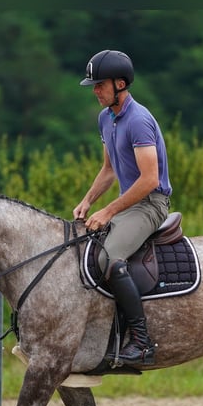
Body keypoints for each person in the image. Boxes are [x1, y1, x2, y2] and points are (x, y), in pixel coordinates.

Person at [74, 49, 172, 366]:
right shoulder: (107, 118)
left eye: (99, 84)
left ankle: (142, 343)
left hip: (149, 204)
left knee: (111, 258)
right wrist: (88, 201)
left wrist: (109, 211)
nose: (95, 91)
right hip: (129, 204)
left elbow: (149, 179)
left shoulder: (139, 121)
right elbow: (109, 169)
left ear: (119, 83)